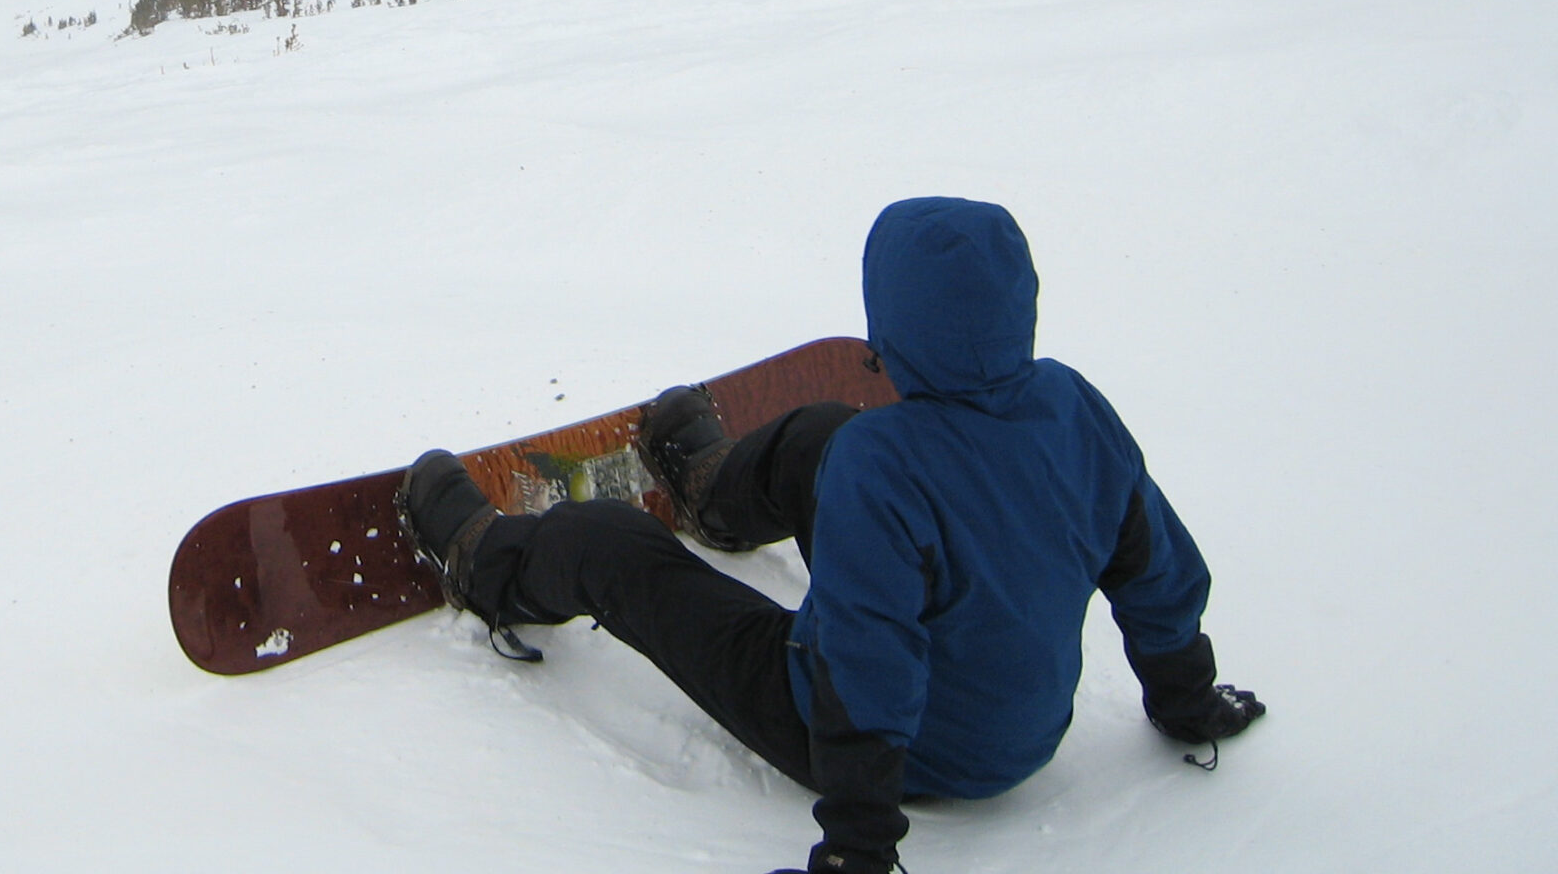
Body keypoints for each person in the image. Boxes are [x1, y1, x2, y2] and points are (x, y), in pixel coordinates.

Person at [398, 197, 1263, 874]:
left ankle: (486, 565)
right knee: (819, 434)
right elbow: (1156, 565)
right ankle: (711, 494)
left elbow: (866, 658)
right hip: (1026, 731)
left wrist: (859, 842)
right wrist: (1186, 698)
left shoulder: (885, 466)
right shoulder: (1070, 408)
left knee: (612, 545)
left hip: (885, 744)